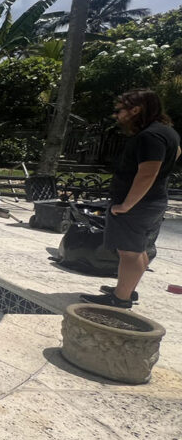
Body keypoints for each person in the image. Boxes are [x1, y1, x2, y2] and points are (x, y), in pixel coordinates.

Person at [81, 89, 180, 308]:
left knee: (129, 252)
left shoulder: (149, 136)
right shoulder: (166, 132)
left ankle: (120, 299)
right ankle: (126, 289)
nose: (117, 115)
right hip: (152, 201)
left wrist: (126, 205)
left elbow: (148, 173)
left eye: (120, 110)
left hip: (138, 205)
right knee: (138, 249)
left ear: (136, 109)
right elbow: (177, 152)